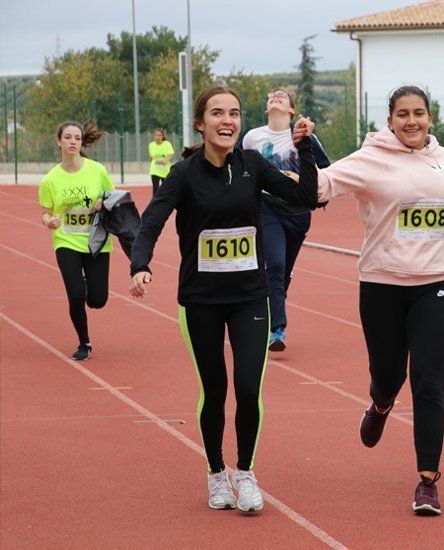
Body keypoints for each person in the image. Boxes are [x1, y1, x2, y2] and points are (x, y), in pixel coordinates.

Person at [128, 87, 319, 514]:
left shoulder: (253, 165)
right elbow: (152, 220)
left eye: (233, 113)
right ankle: (216, 473)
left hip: (250, 297)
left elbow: (306, 197)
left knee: (249, 389)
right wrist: (139, 264)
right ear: (201, 123)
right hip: (201, 300)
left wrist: (304, 151)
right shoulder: (183, 174)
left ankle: (245, 473)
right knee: (215, 390)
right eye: (217, 113)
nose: (227, 120)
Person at [314, 85, 444, 516]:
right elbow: (322, 184)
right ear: (389, 120)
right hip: (382, 284)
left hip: (438, 284)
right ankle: (381, 401)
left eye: (420, 113)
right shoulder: (371, 158)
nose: (412, 121)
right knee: (389, 373)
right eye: (403, 114)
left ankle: (428, 481)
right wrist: (297, 143)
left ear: (431, 118)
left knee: (429, 381)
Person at [239, 87, 331, 351]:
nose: (275, 96)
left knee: (283, 271)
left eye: (282, 95)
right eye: (271, 96)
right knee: (275, 265)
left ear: (291, 110)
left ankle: (272, 305)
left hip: (298, 213)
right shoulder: (252, 138)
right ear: (267, 108)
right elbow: (237, 165)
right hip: (266, 208)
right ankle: (277, 330)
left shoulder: (305, 137)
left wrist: (301, 180)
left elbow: (327, 174)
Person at [38, 121, 114, 360]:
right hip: (66, 241)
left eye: (77, 138)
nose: (73, 141)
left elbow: (114, 197)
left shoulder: (97, 170)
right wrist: (49, 222)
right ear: (59, 142)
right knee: (75, 295)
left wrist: (104, 202)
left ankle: (86, 283)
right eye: (68, 137)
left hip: (96, 240)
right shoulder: (50, 180)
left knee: (98, 300)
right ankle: (84, 342)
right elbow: (45, 212)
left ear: (82, 143)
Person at [148, 128, 174, 194]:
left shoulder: (167, 144)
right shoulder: (151, 145)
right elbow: (151, 157)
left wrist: (166, 160)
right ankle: (155, 203)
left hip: (165, 170)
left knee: (165, 188)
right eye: (156, 135)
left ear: (162, 136)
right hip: (154, 170)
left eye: (160, 135)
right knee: (155, 188)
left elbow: (171, 155)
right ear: (154, 136)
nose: (158, 137)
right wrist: (150, 165)